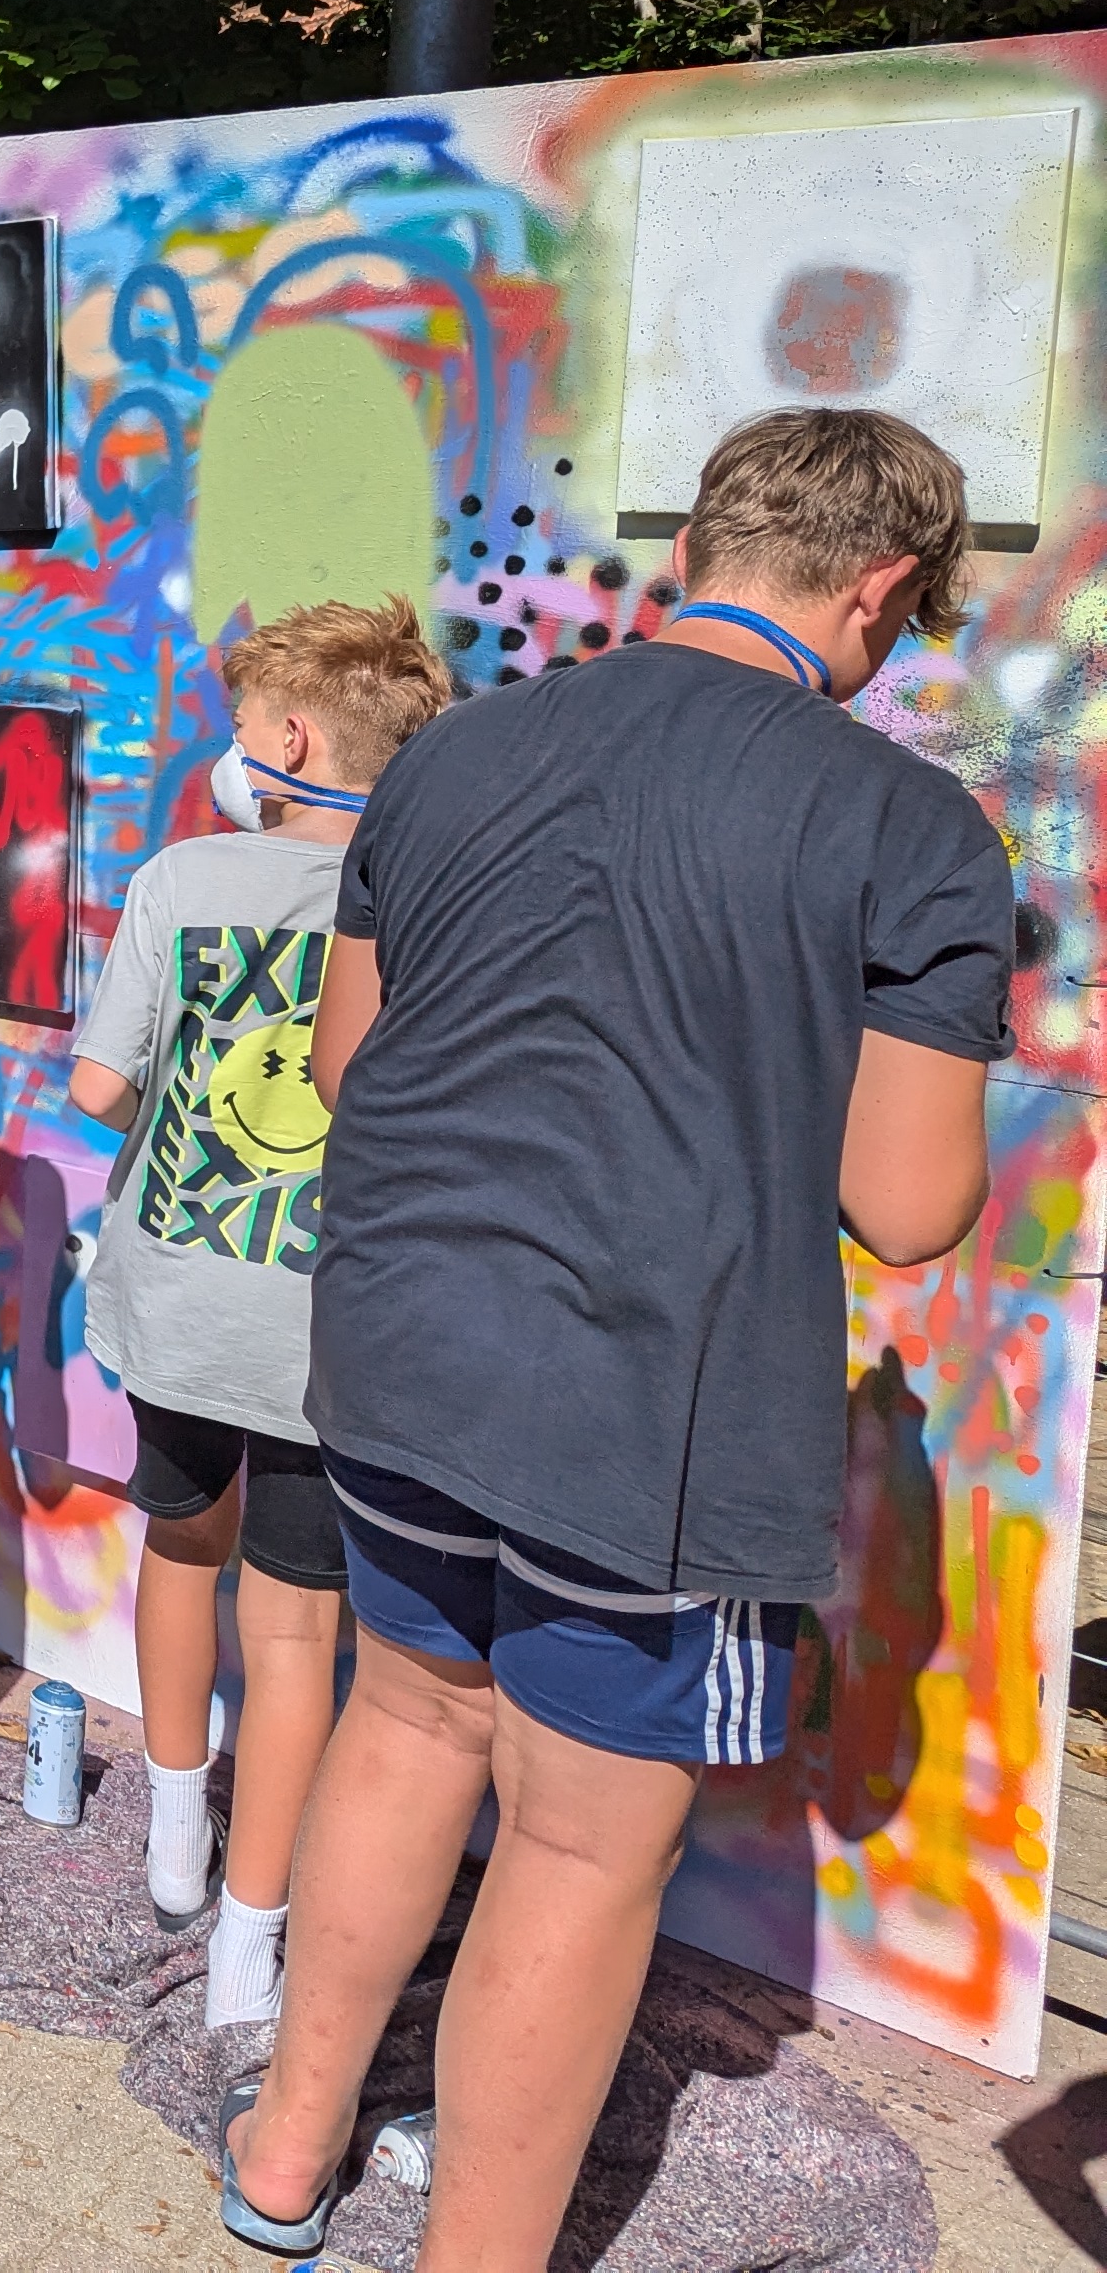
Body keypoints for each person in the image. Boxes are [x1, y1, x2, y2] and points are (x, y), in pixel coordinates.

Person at [224, 407, 1010, 2267]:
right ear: (881, 587)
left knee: (404, 1721)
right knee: (579, 1842)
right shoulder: (910, 825)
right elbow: (908, 1205)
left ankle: (282, 2150)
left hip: (397, 1347)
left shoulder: (454, 749)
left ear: (707, 542)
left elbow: (344, 1064)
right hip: (651, 1409)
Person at [66, 597, 453, 2031]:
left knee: (182, 1546)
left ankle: (176, 1833)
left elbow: (99, 1091)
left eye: (240, 728)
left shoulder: (183, 878)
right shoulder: (429, 904)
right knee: (297, 1637)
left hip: (180, 1301)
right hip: (329, 1329)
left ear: (289, 741)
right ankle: (251, 1938)